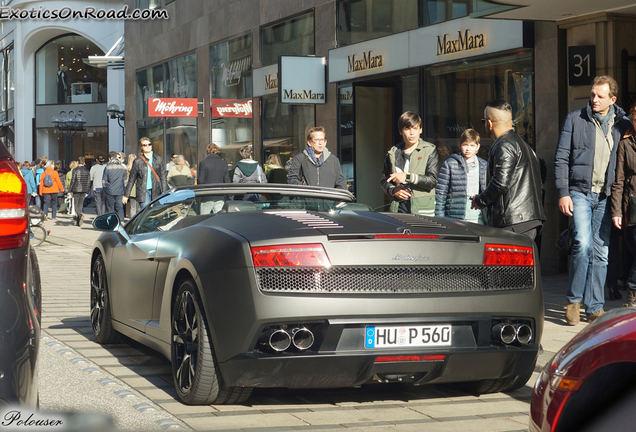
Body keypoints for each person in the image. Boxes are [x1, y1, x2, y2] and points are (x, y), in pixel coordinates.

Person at [555, 75, 631, 325]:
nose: (594, 99)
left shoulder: (623, 125)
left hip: (606, 196)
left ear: (612, 99)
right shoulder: (575, 119)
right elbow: (562, 158)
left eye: (600, 96)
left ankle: (595, 306)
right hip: (579, 192)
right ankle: (574, 301)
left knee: (601, 253)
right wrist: (563, 192)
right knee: (582, 244)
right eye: (592, 95)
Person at [472, 100, 545, 238]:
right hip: (530, 220)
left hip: (514, 222)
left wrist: (480, 201)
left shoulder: (504, 145)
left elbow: (500, 183)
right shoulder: (524, 145)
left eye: (483, 121)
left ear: (489, 123)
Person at [381, 112, 438, 214]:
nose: (412, 133)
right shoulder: (393, 152)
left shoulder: (429, 150)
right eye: (407, 129)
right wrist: (393, 190)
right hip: (397, 209)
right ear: (401, 131)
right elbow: (384, 180)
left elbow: (432, 181)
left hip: (422, 210)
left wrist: (407, 177)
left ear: (420, 129)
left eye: (415, 128)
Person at [611, 102, 636, 307]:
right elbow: (619, 180)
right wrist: (617, 211)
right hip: (632, 205)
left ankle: (631, 290)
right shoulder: (625, 143)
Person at [435, 129, 487, 223]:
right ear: (459, 145)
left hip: (478, 217)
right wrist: (440, 219)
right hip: (455, 217)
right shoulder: (450, 163)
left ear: (477, 147)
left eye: (472, 145)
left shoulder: (484, 165)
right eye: (465, 145)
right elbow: (440, 193)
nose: (468, 149)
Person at [123, 137, 168, 210]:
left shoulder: (158, 158)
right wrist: (126, 195)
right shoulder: (138, 161)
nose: (147, 146)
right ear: (141, 147)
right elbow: (132, 179)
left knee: (155, 212)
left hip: (156, 190)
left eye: (149, 144)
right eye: (145, 145)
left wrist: (164, 190)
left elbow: (163, 175)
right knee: (146, 212)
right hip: (143, 192)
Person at [103, 151, 127, 220]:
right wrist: (124, 190)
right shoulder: (122, 168)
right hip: (120, 191)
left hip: (110, 191)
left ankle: (111, 221)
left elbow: (104, 181)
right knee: (120, 207)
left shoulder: (107, 168)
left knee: (110, 207)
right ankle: (121, 220)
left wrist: (105, 189)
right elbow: (125, 181)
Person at [68, 156, 91, 226]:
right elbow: (88, 182)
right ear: (84, 162)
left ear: (77, 162)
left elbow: (73, 181)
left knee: (76, 205)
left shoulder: (75, 170)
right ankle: (79, 220)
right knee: (80, 204)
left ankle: (79, 214)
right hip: (83, 190)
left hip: (76, 189)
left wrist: (69, 190)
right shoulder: (87, 171)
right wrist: (87, 191)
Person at [125, 154, 140, 218]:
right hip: (138, 189)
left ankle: (132, 220)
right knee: (139, 207)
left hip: (131, 190)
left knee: (132, 207)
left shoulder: (127, 168)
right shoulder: (137, 168)